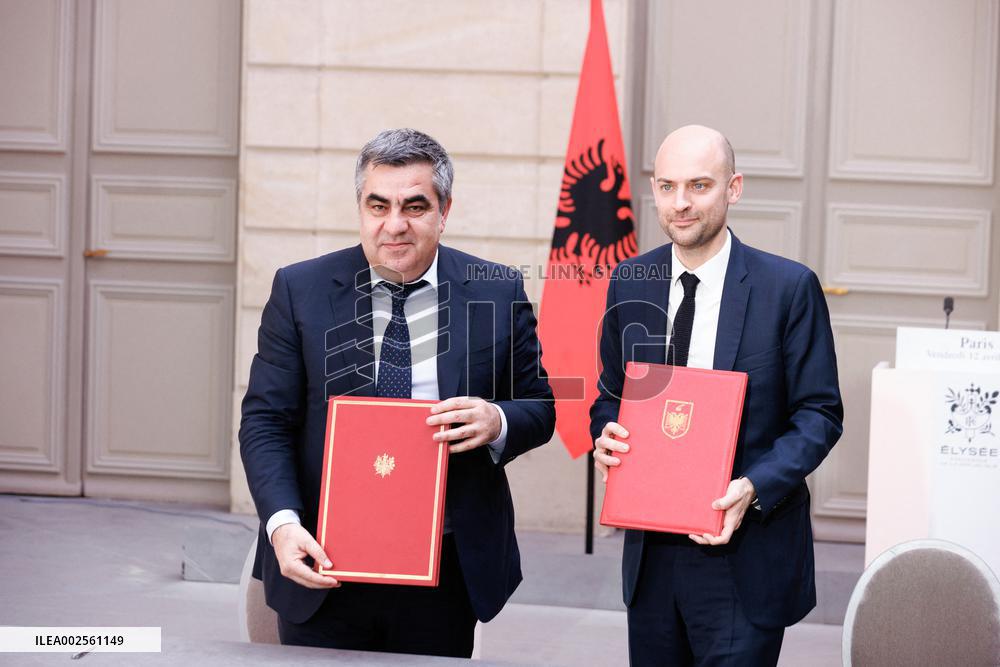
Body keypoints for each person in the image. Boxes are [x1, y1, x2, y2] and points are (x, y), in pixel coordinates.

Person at [240, 128, 555, 658]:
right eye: (378, 205)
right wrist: (281, 524)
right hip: (323, 557)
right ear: (360, 207)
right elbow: (265, 421)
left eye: (414, 205)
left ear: (443, 210)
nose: (395, 225)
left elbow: (540, 406)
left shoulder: (497, 291)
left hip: (443, 564)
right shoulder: (300, 291)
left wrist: (496, 421)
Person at [591, 124, 843, 666]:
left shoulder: (788, 288)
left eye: (699, 186)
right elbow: (609, 395)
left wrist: (753, 487)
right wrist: (604, 434)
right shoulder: (629, 282)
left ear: (733, 189)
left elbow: (819, 414)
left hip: (747, 553)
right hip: (652, 555)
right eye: (666, 186)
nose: (680, 204)